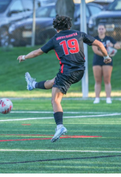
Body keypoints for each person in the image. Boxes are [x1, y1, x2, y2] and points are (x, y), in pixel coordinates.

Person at [17, 15, 111, 143]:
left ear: (56, 28)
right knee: (54, 82)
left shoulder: (56, 39)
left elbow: (37, 52)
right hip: (80, 72)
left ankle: (60, 126)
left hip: (66, 72)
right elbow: (99, 43)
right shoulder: (79, 34)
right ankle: (32, 84)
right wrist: (106, 56)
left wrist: (24, 57)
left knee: (55, 100)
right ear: (70, 26)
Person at [92, 24, 120, 104]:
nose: (101, 30)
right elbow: (95, 50)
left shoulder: (109, 38)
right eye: (99, 29)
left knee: (107, 80)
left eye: (102, 29)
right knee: (97, 80)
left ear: (105, 30)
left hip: (108, 61)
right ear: (98, 30)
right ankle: (97, 98)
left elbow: (118, 46)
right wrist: (106, 55)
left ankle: (108, 98)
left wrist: (113, 45)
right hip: (97, 61)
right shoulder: (95, 39)